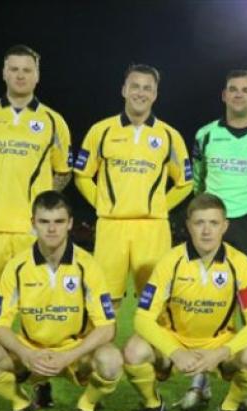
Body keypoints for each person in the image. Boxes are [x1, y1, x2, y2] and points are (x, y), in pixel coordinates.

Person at [0, 44, 73, 408]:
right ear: (4, 73)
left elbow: (62, 172)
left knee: (34, 306)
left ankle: (40, 378)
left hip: (31, 232)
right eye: (14, 69)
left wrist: (35, 206)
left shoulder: (54, 122)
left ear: (37, 75)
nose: (21, 75)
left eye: (28, 69)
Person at [0, 192, 122, 411]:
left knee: (111, 361)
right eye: (44, 222)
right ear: (33, 223)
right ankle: (21, 404)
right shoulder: (17, 266)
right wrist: (26, 353)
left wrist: (70, 355)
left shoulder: (88, 265)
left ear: (70, 223)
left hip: (74, 353)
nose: (52, 229)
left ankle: (85, 408)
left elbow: (108, 327)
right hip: (31, 351)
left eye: (59, 222)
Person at [123, 194, 247, 411]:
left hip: (218, 344)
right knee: (134, 350)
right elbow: (142, 319)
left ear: (225, 226)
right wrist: (175, 351)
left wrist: (221, 353)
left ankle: (228, 409)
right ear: (188, 225)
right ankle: (153, 404)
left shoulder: (241, 263)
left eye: (213, 223)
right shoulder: (170, 261)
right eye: (199, 223)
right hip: (175, 341)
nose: (207, 231)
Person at [187, 69, 247, 411]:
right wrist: (207, 215)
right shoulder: (206, 135)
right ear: (224, 96)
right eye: (233, 90)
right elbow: (197, 181)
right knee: (205, 300)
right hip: (211, 227)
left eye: (246, 90)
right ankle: (199, 379)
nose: (240, 95)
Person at [74, 63, 192, 311]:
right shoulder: (101, 130)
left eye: (147, 88)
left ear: (155, 94)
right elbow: (82, 175)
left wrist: (160, 206)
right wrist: (103, 204)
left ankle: (150, 351)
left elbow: (185, 183)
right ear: (124, 90)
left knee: (154, 303)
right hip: (111, 227)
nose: (141, 92)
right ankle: (103, 350)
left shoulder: (169, 136)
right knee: (106, 302)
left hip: (153, 229)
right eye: (135, 86)